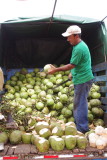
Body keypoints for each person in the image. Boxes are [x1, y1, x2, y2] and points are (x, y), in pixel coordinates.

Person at [48, 25, 94, 133]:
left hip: (83, 79)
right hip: (80, 77)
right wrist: (72, 73)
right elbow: (77, 64)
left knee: (80, 104)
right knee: (78, 103)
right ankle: (80, 126)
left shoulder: (79, 48)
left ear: (76, 36)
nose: (67, 39)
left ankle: (82, 129)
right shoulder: (77, 45)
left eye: (69, 37)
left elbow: (71, 65)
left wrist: (56, 70)